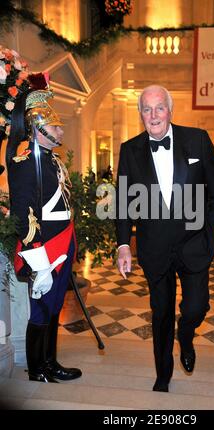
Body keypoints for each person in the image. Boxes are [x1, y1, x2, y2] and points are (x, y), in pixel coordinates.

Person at [116, 85, 214, 392]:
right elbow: (124, 202)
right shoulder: (130, 149)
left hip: (194, 244)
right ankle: (162, 374)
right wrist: (124, 244)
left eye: (159, 108)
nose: (154, 115)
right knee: (161, 313)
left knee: (196, 308)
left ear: (170, 110)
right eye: (147, 109)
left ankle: (187, 335)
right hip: (154, 248)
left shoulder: (197, 140)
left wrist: (210, 231)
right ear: (140, 114)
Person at [1, 57, 82, 383]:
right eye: (55, 124)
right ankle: (37, 368)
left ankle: (51, 362)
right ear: (37, 127)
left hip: (62, 243)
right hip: (46, 249)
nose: (61, 129)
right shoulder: (24, 163)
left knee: (53, 308)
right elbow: (23, 215)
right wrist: (39, 262)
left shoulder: (50, 160)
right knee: (41, 311)